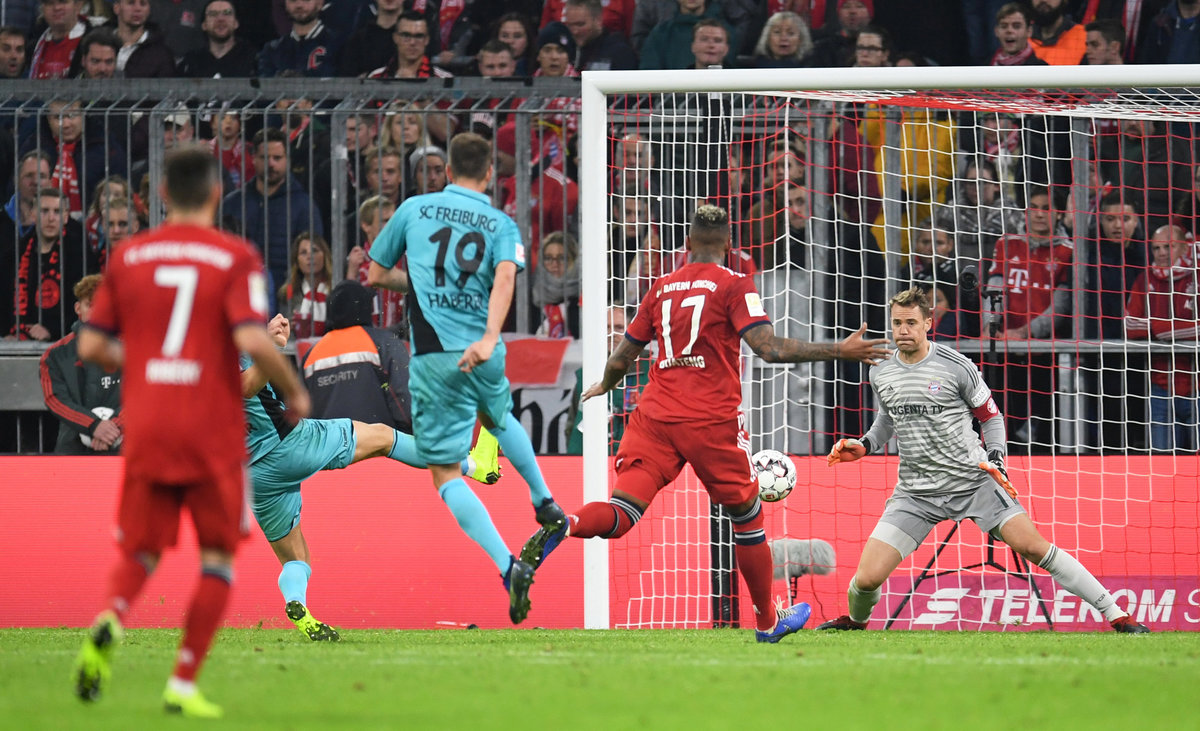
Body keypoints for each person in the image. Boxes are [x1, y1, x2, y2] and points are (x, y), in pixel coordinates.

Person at [521, 205, 891, 643]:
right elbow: (769, 348)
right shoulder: (734, 284)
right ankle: (768, 623)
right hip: (711, 420)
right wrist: (840, 350)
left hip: (655, 416)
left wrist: (605, 383)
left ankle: (566, 524)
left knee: (622, 513)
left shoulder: (661, 286)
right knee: (748, 519)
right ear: (729, 245)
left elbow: (624, 353)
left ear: (687, 245)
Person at [72, 144, 310, 718]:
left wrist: (148, 362)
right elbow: (251, 339)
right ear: (215, 194)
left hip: (151, 422)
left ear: (161, 195)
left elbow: (92, 345)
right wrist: (294, 389)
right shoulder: (235, 256)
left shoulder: (129, 256)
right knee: (218, 558)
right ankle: (181, 683)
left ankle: (110, 618)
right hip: (212, 428)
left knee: (142, 549)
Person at [820, 286, 1150, 634]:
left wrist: (997, 461)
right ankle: (856, 623)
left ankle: (1117, 615)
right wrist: (865, 445)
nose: (903, 330)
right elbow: (888, 419)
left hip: (973, 480)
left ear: (928, 323)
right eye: (897, 323)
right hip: (916, 492)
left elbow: (991, 418)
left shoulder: (956, 366)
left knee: (1033, 547)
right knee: (867, 579)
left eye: (911, 323)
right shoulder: (881, 370)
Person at [367, 131, 567, 625]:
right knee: (499, 417)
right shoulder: (500, 222)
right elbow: (506, 278)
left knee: (446, 475)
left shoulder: (413, 209)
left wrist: (421, 286)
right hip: (485, 346)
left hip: (435, 357)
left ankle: (508, 567)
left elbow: (375, 274)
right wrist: (490, 336)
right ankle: (544, 499)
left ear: (449, 171)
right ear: (490, 175)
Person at [244, 304, 500, 641]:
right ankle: (474, 465)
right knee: (382, 437)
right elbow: (243, 386)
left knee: (296, 557)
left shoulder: (191, 365)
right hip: (287, 445)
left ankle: (296, 603)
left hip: (252, 474)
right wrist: (271, 347)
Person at [1125, 224, 1198, 453]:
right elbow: (1129, 326)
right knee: (1162, 462)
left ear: (1184, 248)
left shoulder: (1197, 278)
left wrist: (1159, 329)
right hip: (1160, 388)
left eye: (1168, 246)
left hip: (1197, 386)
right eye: (1156, 248)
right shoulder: (1144, 279)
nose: (1162, 253)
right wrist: (1168, 329)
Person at [39, 273, 123, 454]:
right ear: (78, 308)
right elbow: (55, 399)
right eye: (90, 305)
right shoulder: (55, 354)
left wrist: (114, 426)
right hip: (72, 449)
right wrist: (93, 425)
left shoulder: (136, 349)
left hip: (124, 447)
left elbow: (144, 396)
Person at [257, 0, 342, 77]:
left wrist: (303, 76)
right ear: (286, 4)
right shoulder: (273, 49)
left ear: (320, 3)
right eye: (293, 0)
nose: (299, 5)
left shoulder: (338, 45)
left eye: (306, 0)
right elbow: (263, 82)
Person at [178, 0, 259, 78]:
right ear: (204, 25)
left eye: (227, 13)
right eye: (213, 14)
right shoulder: (191, 62)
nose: (220, 19)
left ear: (236, 23)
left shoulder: (254, 60)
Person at [277, 231, 331, 339]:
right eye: (303, 252)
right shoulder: (287, 292)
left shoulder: (335, 289)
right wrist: (289, 328)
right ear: (297, 261)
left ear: (325, 255)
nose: (309, 256)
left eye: (314, 250)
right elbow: (282, 337)